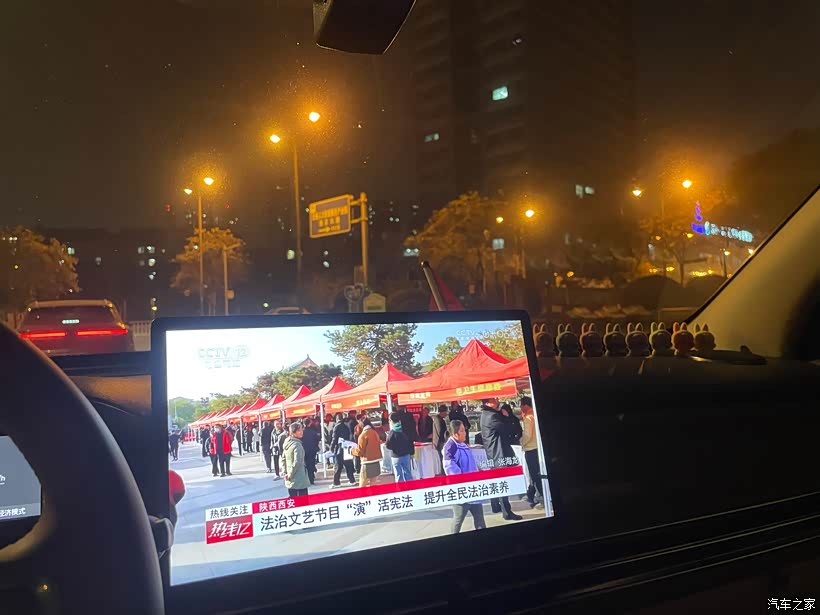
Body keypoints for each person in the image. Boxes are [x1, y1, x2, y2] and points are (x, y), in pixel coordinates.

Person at [479, 398, 522, 521]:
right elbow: (507, 429)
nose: (496, 401)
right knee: (503, 483)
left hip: (493, 453)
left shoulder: (485, 414)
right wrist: (508, 416)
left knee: (496, 480)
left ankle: (495, 505)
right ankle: (506, 512)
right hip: (499, 454)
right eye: (494, 400)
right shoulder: (492, 416)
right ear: (487, 402)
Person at [443, 420, 486, 534]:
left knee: (479, 518)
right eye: (462, 431)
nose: (465, 433)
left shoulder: (462, 444)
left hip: (473, 488)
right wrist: (463, 481)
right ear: (455, 434)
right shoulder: (450, 447)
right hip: (462, 490)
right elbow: (450, 468)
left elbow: (471, 462)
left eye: (464, 430)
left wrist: (479, 471)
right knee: (458, 519)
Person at [519, 396, 544, 509]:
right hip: (537, 448)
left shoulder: (529, 417)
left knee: (535, 475)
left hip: (531, 449)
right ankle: (534, 495)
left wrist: (521, 442)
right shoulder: (535, 414)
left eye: (521, 405)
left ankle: (541, 499)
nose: (520, 407)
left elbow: (528, 435)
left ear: (525, 405)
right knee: (538, 474)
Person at [281, 422, 310, 497]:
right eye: (299, 430)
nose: (301, 432)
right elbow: (297, 462)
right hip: (299, 477)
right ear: (293, 432)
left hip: (289, 477)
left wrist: (285, 473)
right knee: (302, 500)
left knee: (293, 498)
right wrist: (290, 475)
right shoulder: (297, 445)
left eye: (302, 430)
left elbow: (283, 459)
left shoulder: (287, 442)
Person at [385, 412, 414, 482]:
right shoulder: (405, 430)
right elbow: (410, 441)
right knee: (408, 473)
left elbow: (387, 445)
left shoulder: (391, 433)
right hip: (406, 454)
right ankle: (411, 487)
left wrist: (394, 448)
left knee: (398, 475)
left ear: (391, 421)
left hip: (395, 456)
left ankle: (401, 488)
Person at [355, 417, 383, 488]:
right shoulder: (374, 432)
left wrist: (351, 450)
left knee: (362, 484)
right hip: (376, 461)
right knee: (373, 483)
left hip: (367, 462)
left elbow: (360, 452)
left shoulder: (363, 435)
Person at [331, 413, 356, 487]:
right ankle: (352, 480)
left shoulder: (337, 426)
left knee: (338, 466)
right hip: (347, 446)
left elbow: (334, 438)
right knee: (348, 464)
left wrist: (331, 447)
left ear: (337, 419)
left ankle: (336, 482)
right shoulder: (346, 426)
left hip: (340, 447)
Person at [301, 418, 320, 485]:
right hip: (312, 451)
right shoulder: (313, 431)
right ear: (310, 423)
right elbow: (317, 440)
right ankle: (311, 479)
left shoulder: (301, 432)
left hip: (304, 451)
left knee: (305, 465)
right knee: (311, 464)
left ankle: (306, 478)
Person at [432, 405, 449, 470]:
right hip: (440, 441)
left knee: (442, 457)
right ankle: (442, 470)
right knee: (442, 457)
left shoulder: (441, 419)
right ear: (442, 412)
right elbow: (439, 431)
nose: (446, 414)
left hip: (441, 441)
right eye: (446, 412)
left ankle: (442, 469)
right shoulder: (438, 419)